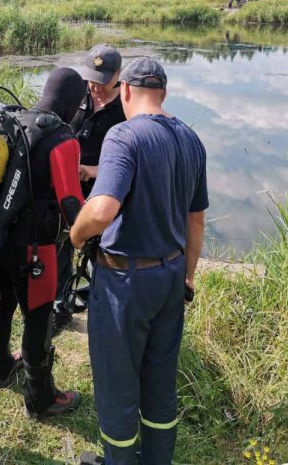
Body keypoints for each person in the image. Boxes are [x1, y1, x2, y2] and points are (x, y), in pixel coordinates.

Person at [70, 58, 208, 465]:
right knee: (160, 381)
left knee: (117, 385)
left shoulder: (123, 136)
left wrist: (77, 236)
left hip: (125, 283)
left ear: (125, 90)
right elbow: (195, 219)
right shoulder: (190, 138)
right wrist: (187, 276)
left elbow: (101, 211)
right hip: (171, 275)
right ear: (162, 93)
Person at [0, 67, 86, 418]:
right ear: (73, 101)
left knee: (0, 303)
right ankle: (41, 399)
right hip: (36, 251)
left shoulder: (14, 122)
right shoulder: (63, 139)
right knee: (38, 319)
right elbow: (72, 202)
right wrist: (91, 233)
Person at [53, 44, 126, 330]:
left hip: (105, 193)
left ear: (118, 76)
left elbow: (133, 159)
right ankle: (61, 305)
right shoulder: (78, 96)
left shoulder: (127, 107)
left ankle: (106, 309)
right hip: (68, 189)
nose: (95, 86)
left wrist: (93, 171)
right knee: (61, 247)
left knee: (104, 252)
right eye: (91, 78)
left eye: (102, 80)